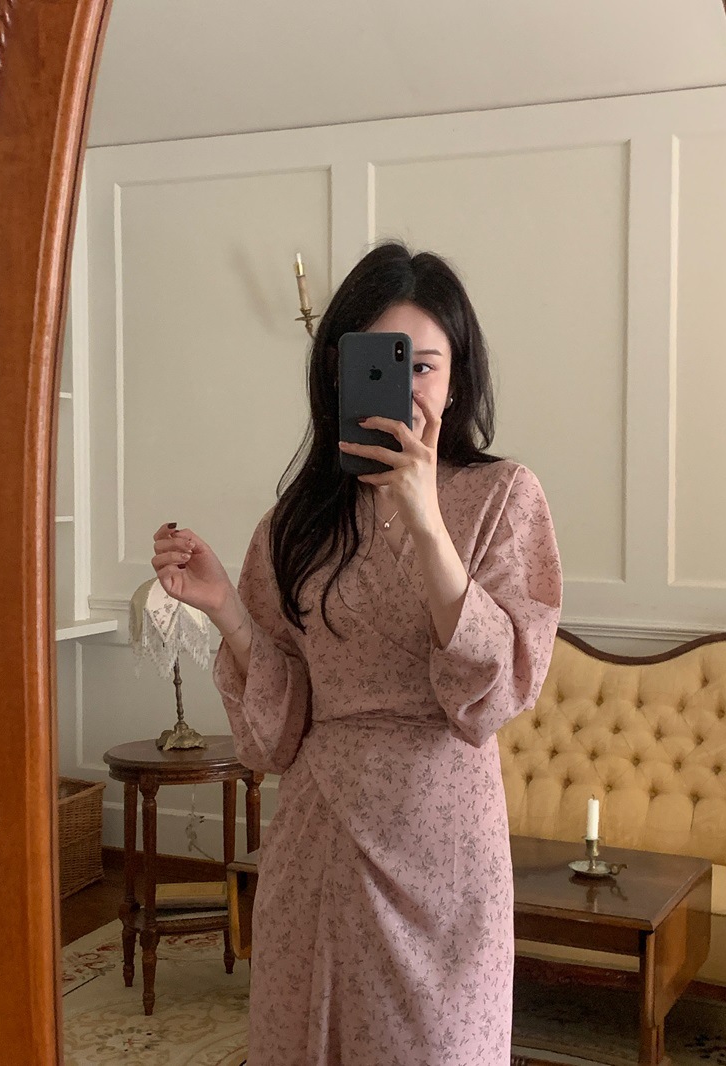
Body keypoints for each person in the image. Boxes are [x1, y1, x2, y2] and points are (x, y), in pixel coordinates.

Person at [151, 242, 562, 1066]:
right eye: (378, 364)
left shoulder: (503, 497)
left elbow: (494, 690)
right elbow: (278, 728)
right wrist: (225, 606)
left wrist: (425, 518)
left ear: (457, 378)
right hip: (319, 828)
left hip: (442, 842)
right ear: (339, 377)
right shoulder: (298, 520)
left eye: (423, 365)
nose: (403, 390)